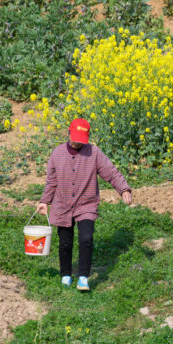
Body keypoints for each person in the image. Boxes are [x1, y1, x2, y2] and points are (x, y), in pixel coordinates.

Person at [37, 118, 132, 291]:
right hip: (62, 204)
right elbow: (51, 181)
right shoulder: (57, 154)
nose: (77, 143)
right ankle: (66, 274)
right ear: (68, 133)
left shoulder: (94, 153)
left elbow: (111, 172)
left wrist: (124, 189)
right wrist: (45, 202)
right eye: (75, 138)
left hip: (86, 204)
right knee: (65, 242)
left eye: (81, 140)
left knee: (86, 238)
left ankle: (83, 277)